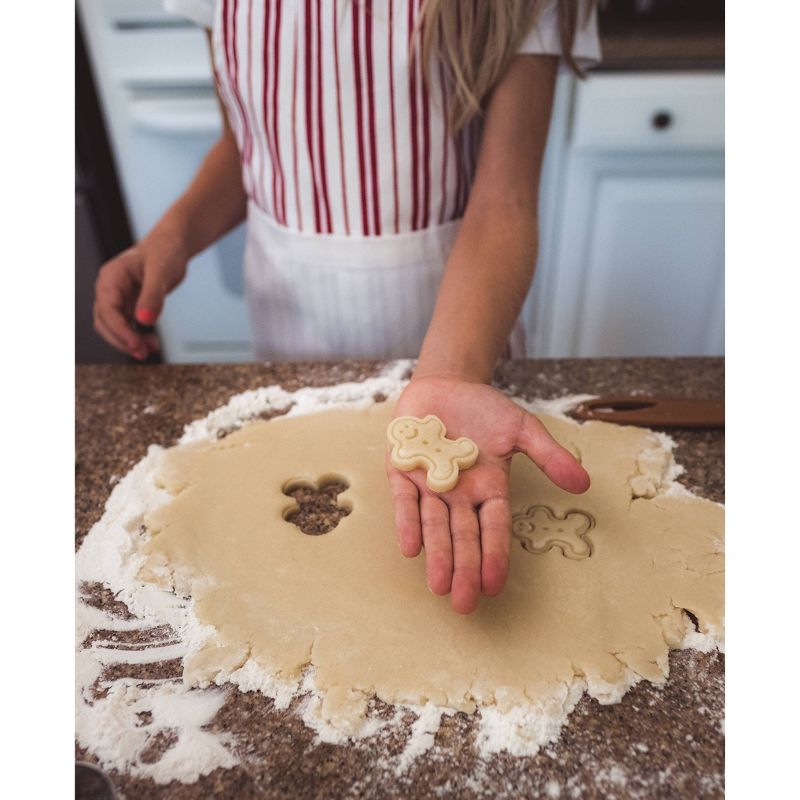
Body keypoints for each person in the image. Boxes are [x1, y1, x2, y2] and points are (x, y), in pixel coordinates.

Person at [94, 0, 599, 614]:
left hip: (459, 340)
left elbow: (505, 202)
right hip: (289, 329)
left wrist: (452, 374)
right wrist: (171, 237)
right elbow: (245, 146)